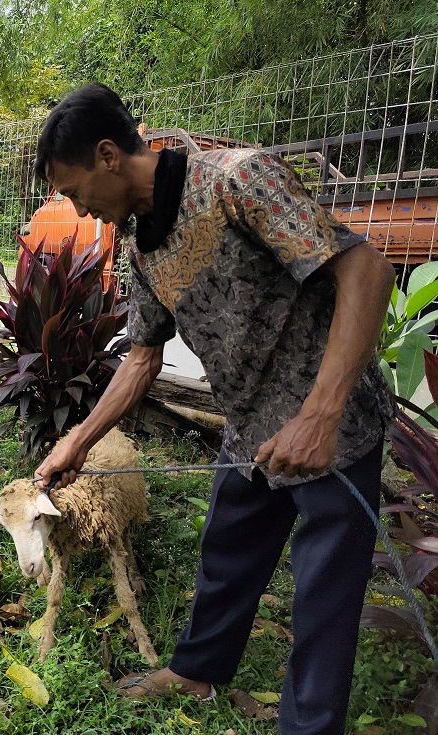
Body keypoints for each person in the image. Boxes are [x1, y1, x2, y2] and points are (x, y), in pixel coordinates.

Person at [33, 82, 397, 735]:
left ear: (108, 155)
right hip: (248, 426)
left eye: (71, 187)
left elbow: (365, 271)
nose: (75, 206)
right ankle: (197, 669)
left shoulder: (237, 181)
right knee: (226, 547)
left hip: (330, 429)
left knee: (323, 595)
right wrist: (78, 442)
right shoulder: (142, 244)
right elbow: (141, 359)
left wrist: (318, 414)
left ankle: (306, 726)